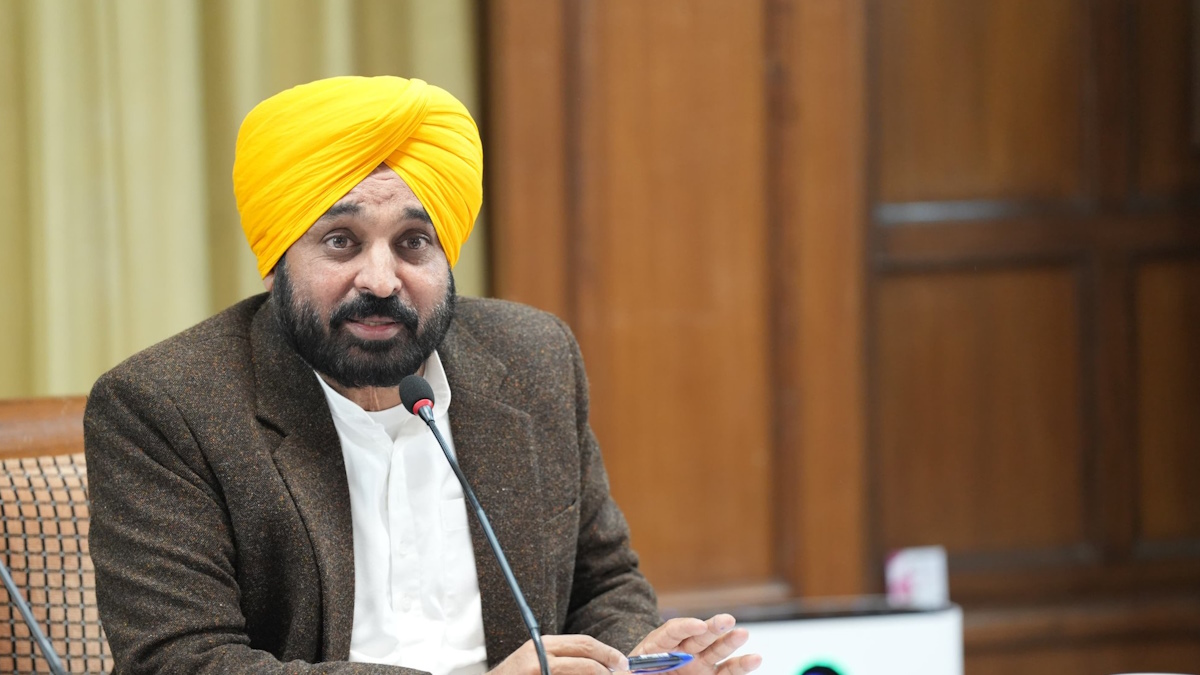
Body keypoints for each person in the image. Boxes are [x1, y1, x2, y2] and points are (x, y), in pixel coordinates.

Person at [84, 75, 763, 675]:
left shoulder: (532, 359)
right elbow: (181, 660)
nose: (381, 280)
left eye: (414, 243)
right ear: (276, 259)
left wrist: (634, 660)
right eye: (341, 242)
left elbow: (605, 583)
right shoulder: (165, 405)